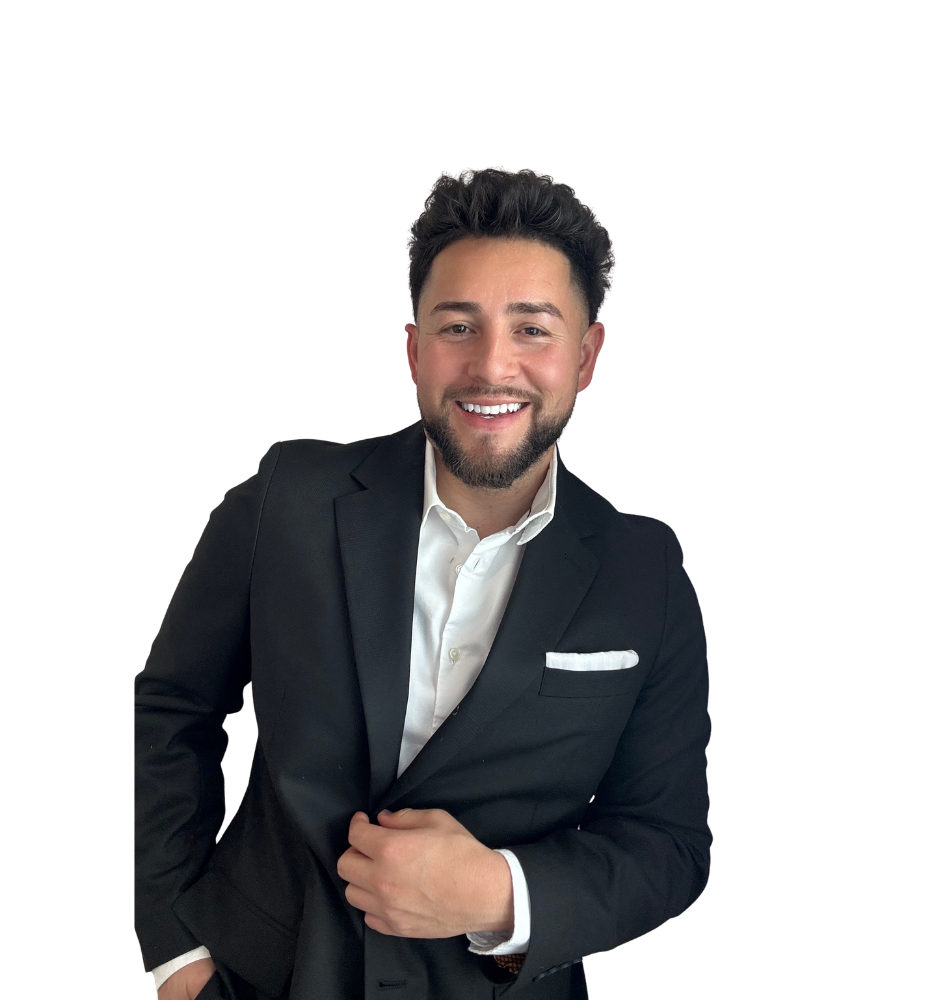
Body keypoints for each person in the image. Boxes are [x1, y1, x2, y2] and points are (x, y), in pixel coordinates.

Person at [135, 167, 712, 999]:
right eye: (458, 326)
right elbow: (169, 714)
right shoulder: (284, 498)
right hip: (251, 976)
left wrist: (497, 894)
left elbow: (669, 843)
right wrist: (175, 953)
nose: (491, 366)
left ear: (587, 357)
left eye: (532, 329)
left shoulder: (647, 574)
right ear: (413, 349)